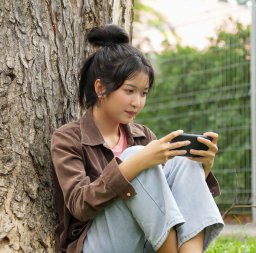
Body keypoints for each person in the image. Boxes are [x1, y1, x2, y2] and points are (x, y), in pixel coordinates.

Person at [50, 24, 224, 253]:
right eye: (129, 91)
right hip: (96, 244)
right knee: (135, 155)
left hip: (144, 241)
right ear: (101, 88)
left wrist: (204, 164)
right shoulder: (68, 138)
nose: (137, 103)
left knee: (183, 161)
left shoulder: (143, 135)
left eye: (143, 93)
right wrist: (136, 163)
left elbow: (168, 201)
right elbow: (80, 205)